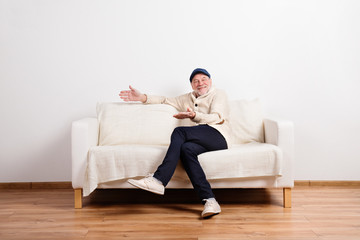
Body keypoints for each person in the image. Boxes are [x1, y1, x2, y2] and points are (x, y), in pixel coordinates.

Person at [119, 68, 232, 218]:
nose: (200, 83)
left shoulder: (219, 94)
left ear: (210, 81)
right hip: (202, 139)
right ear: (192, 85)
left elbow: (216, 117)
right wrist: (143, 97)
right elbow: (165, 100)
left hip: (219, 136)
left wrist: (194, 115)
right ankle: (210, 201)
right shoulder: (187, 98)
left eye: (204, 79)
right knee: (186, 149)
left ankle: (159, 180)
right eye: (196, 81)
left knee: (180, 132)